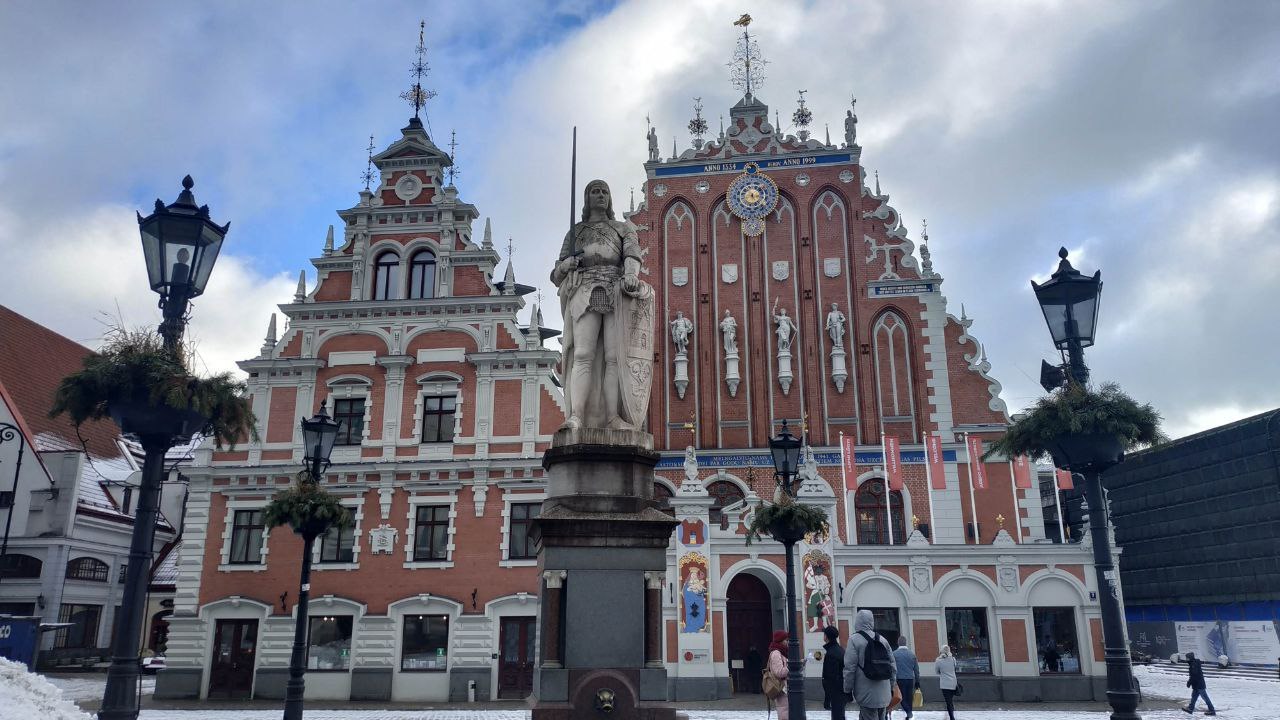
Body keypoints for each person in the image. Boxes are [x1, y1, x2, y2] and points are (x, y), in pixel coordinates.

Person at [551, 179, 654, 432]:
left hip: (616, 290)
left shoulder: (622, 228)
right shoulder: (576, 232)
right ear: (587, 198)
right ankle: (577, 415)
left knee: (613, 358)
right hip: (585, 289)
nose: (600, 195)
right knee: (584, 354)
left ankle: (612, 417)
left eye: (604, 191)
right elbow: (556, 274)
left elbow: (632, 256)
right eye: (594, 191)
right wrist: (567, 266)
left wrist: (631, 274)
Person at [844, 609, 897, 720]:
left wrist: (847, 689)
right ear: (872, 621)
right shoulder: (883, 639)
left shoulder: (854, 640)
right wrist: (892, 686)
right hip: (884, 690)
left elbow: (850, 668)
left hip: (865, 692)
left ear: (857, 622)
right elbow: (892, 666)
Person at [822, 625, 848, 719]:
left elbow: (830, 678)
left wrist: (827, 698)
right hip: (841, 691)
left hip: (836, 692)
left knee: (838, 716)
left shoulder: (831, 653)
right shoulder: (840, 650)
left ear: (826, 636)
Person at [893, 636, 919, 719]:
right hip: (910, 679)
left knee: (901, 698)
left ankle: (908, 712)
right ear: (906, 643)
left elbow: (892, 668)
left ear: (898, 643)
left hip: (900, 679)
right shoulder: (912, 654)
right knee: (909, 698)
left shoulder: (894, 654)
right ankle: (909, 714)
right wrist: (917, 681)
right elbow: (916, 669)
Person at [768, 630, 792, 719]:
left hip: (787, 686)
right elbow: (779, 672)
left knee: (787, 710)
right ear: (781, 640)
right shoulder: (776, 653)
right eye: (786, 640)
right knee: (784, 711)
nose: (788, 642)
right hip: (781, 687)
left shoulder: (783, 652)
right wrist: (791, 666)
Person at [935, 645, 958, 720]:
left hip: (944, 684)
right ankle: (951, 715)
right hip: (953, 683)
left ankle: (951, 716)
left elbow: (937, 671)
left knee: (948, 701)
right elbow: (954, 668)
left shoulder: (938, 660)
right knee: (950, 700)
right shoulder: (953, 659)